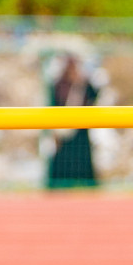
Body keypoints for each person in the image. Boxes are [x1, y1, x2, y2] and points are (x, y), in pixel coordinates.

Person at [45, 53, 99, 189]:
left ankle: (86, 183)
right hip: (63, 130)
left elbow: (93, 97)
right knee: (63, 159)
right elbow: (53, 104)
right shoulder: (59, 84)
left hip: (80, 129)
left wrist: (81, 83)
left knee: (81, 155)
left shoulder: (82, 84)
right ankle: (59, 183)